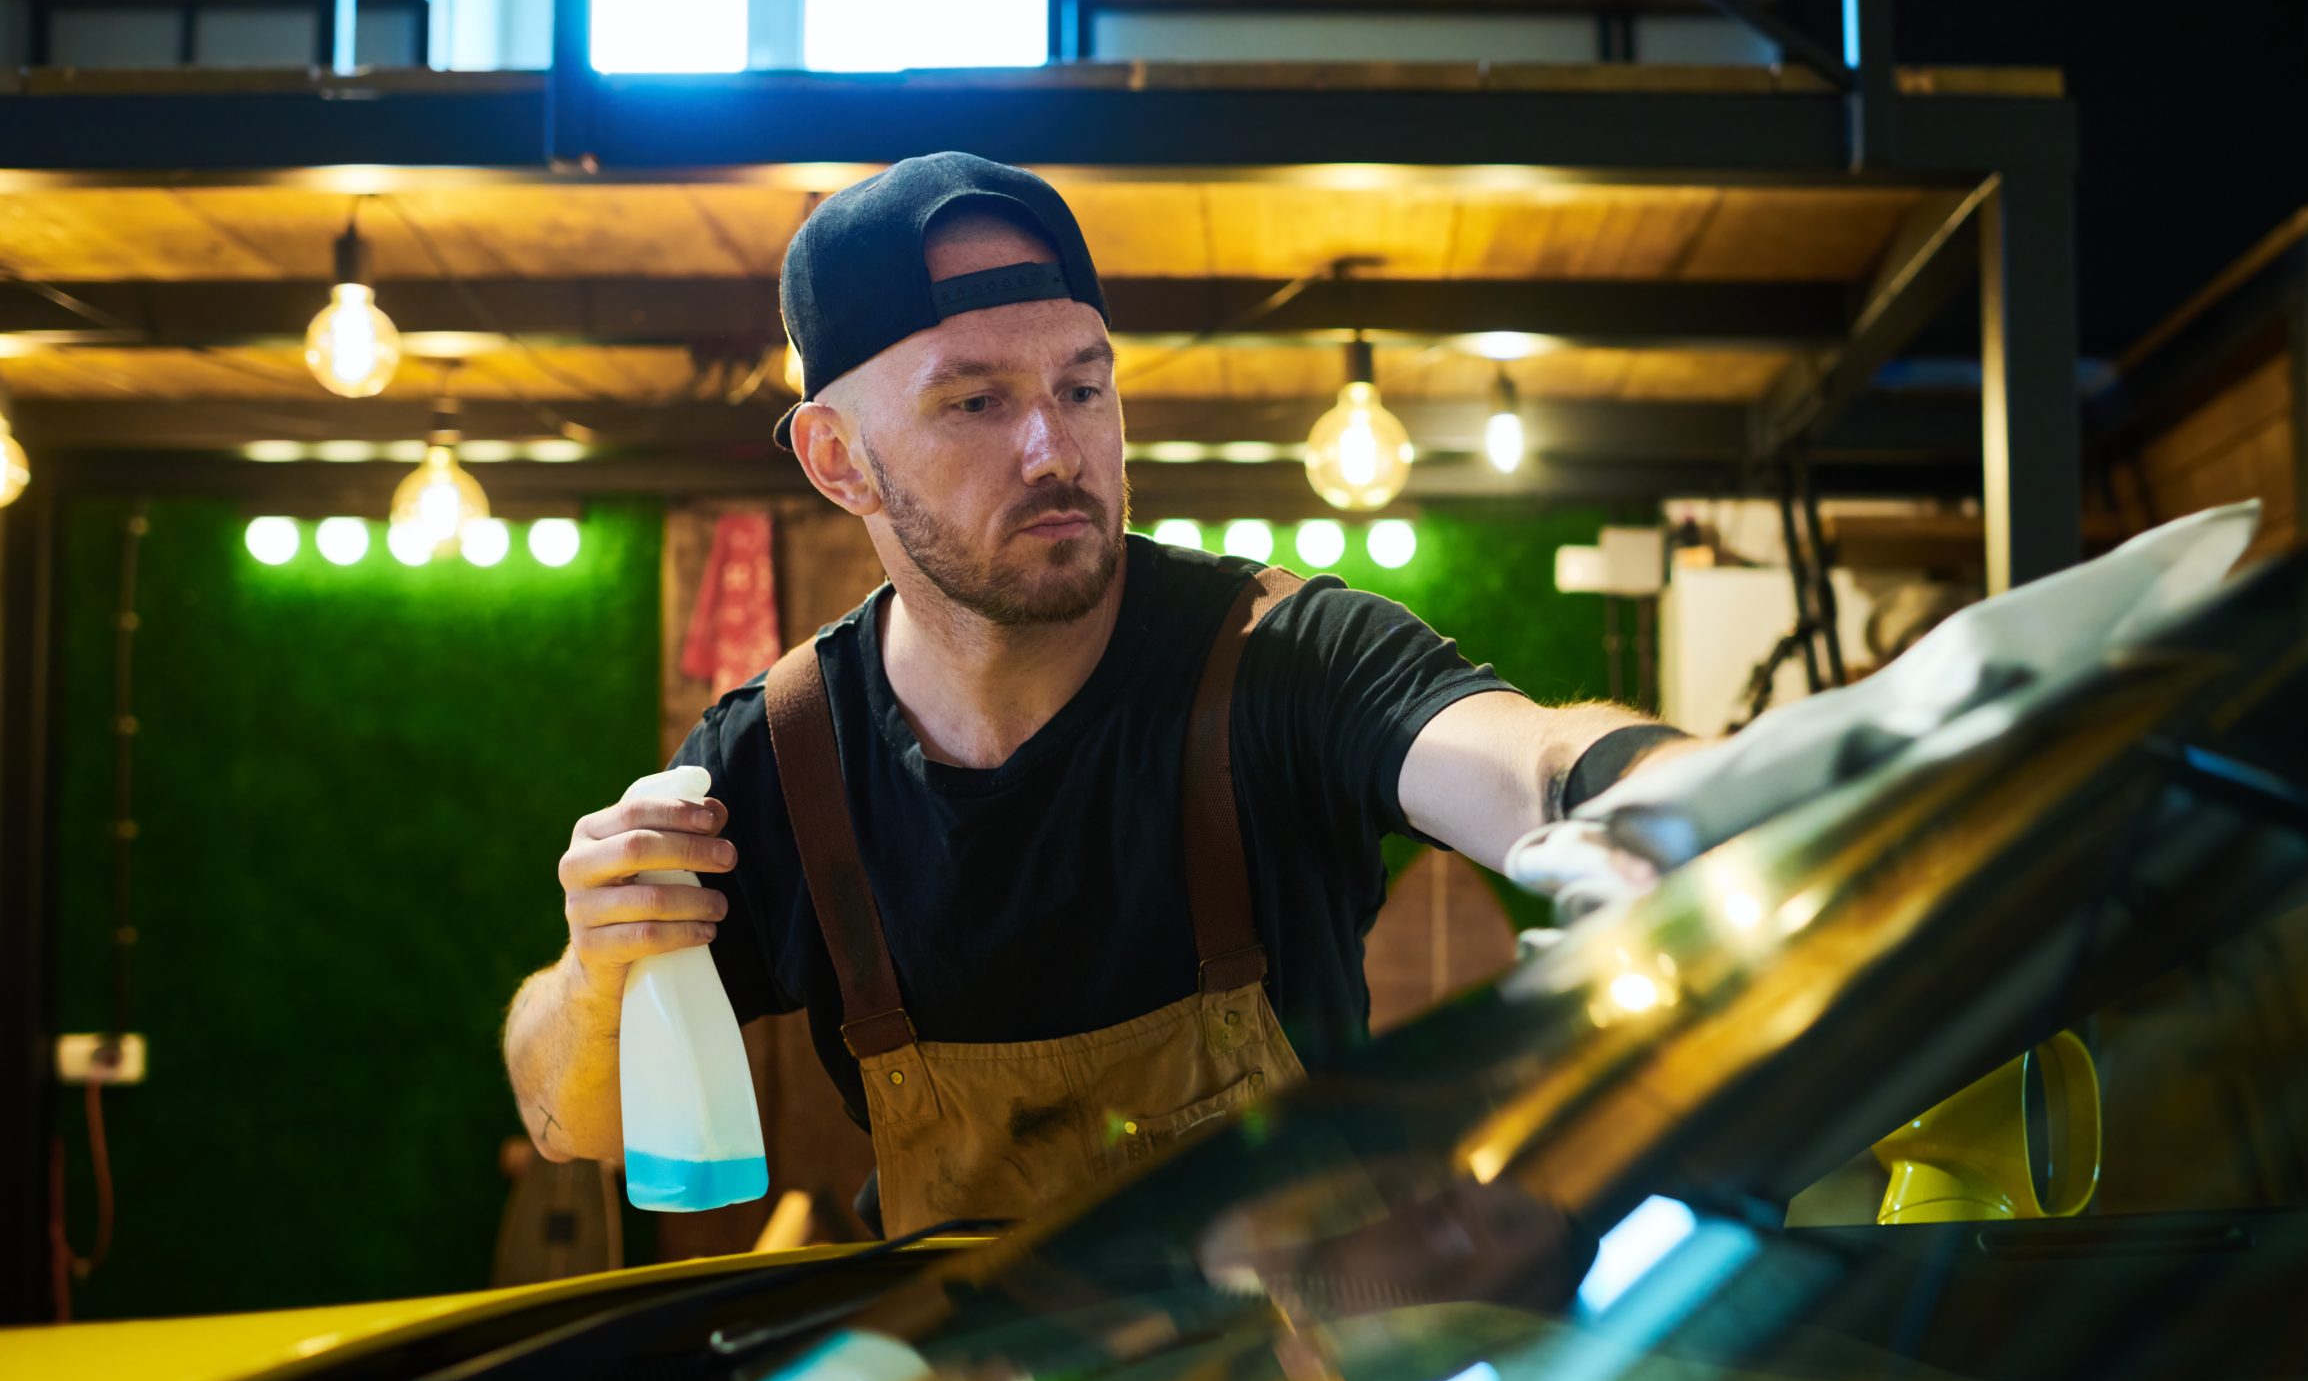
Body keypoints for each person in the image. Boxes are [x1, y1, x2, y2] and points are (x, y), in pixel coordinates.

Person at [503, 152, 1697, 1238]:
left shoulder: (1283, 659)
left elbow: (1525, 760)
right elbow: (573, 1125)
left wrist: (1674, 793)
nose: (1054, 451)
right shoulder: (784, 757)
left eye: (1082, 388)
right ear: (836, 459)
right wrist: (595, 969)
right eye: (975, 403)